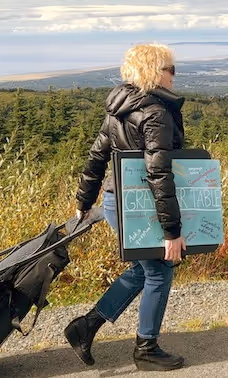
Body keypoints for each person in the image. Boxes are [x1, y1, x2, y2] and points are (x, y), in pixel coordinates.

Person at [65, 43, 186, 371]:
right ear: (155, 71)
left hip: (116, 200)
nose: (175, 76)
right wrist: (172, 232)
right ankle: (146, 349)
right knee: (159, 271)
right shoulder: (155, 111)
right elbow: (158, 173)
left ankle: (86, 326)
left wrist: (84, 201)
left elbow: (96, 157)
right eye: (170, 69)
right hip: (140, 204)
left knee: (141, 268)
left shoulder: (119, 106)